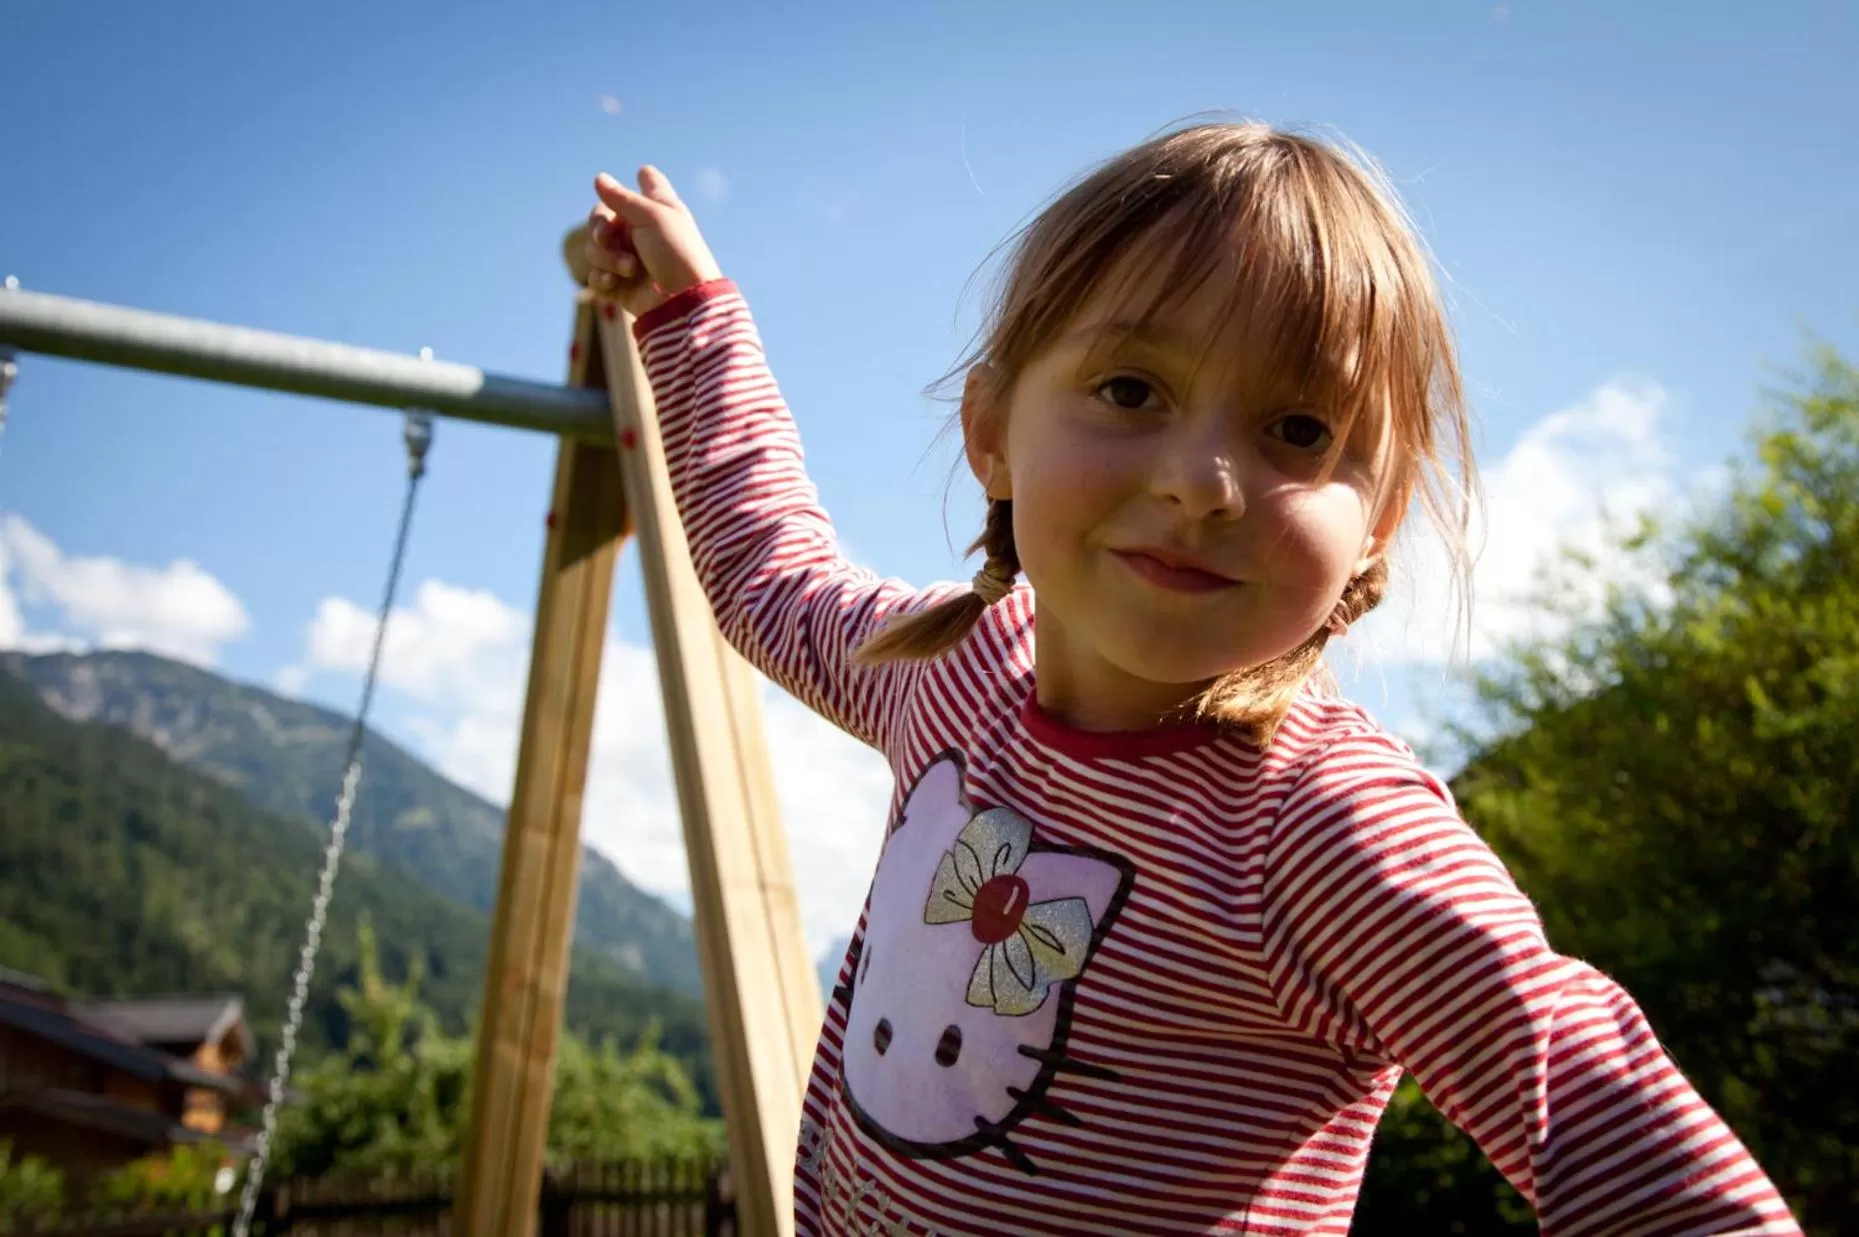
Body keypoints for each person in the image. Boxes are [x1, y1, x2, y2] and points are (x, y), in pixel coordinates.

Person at [582, 121, 1799, 1236]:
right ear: (990, 430)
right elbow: (764, 567)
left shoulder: (1319, 831)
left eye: (1299, 431)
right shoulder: (949, 676)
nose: (1202, 480)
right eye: (1129, 389)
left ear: (1376, 522)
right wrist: (689, 316)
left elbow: (1599, 1114)